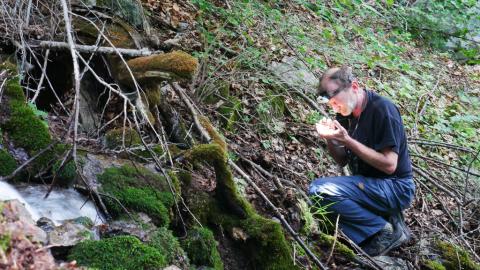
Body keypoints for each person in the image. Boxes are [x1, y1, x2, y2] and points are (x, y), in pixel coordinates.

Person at [308, 66, 415, 256]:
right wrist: (331, 138)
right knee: (318, 203)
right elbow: (342, 160)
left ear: (354, 87)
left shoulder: (382, 110)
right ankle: (379, 225)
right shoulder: (345, 113)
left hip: (396, 187)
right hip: (370, 184)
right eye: (329, 102)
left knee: (319, 190)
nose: (334, 106)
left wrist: (347, 140)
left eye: (335, 98)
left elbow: (390, 165)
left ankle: (382, 231)